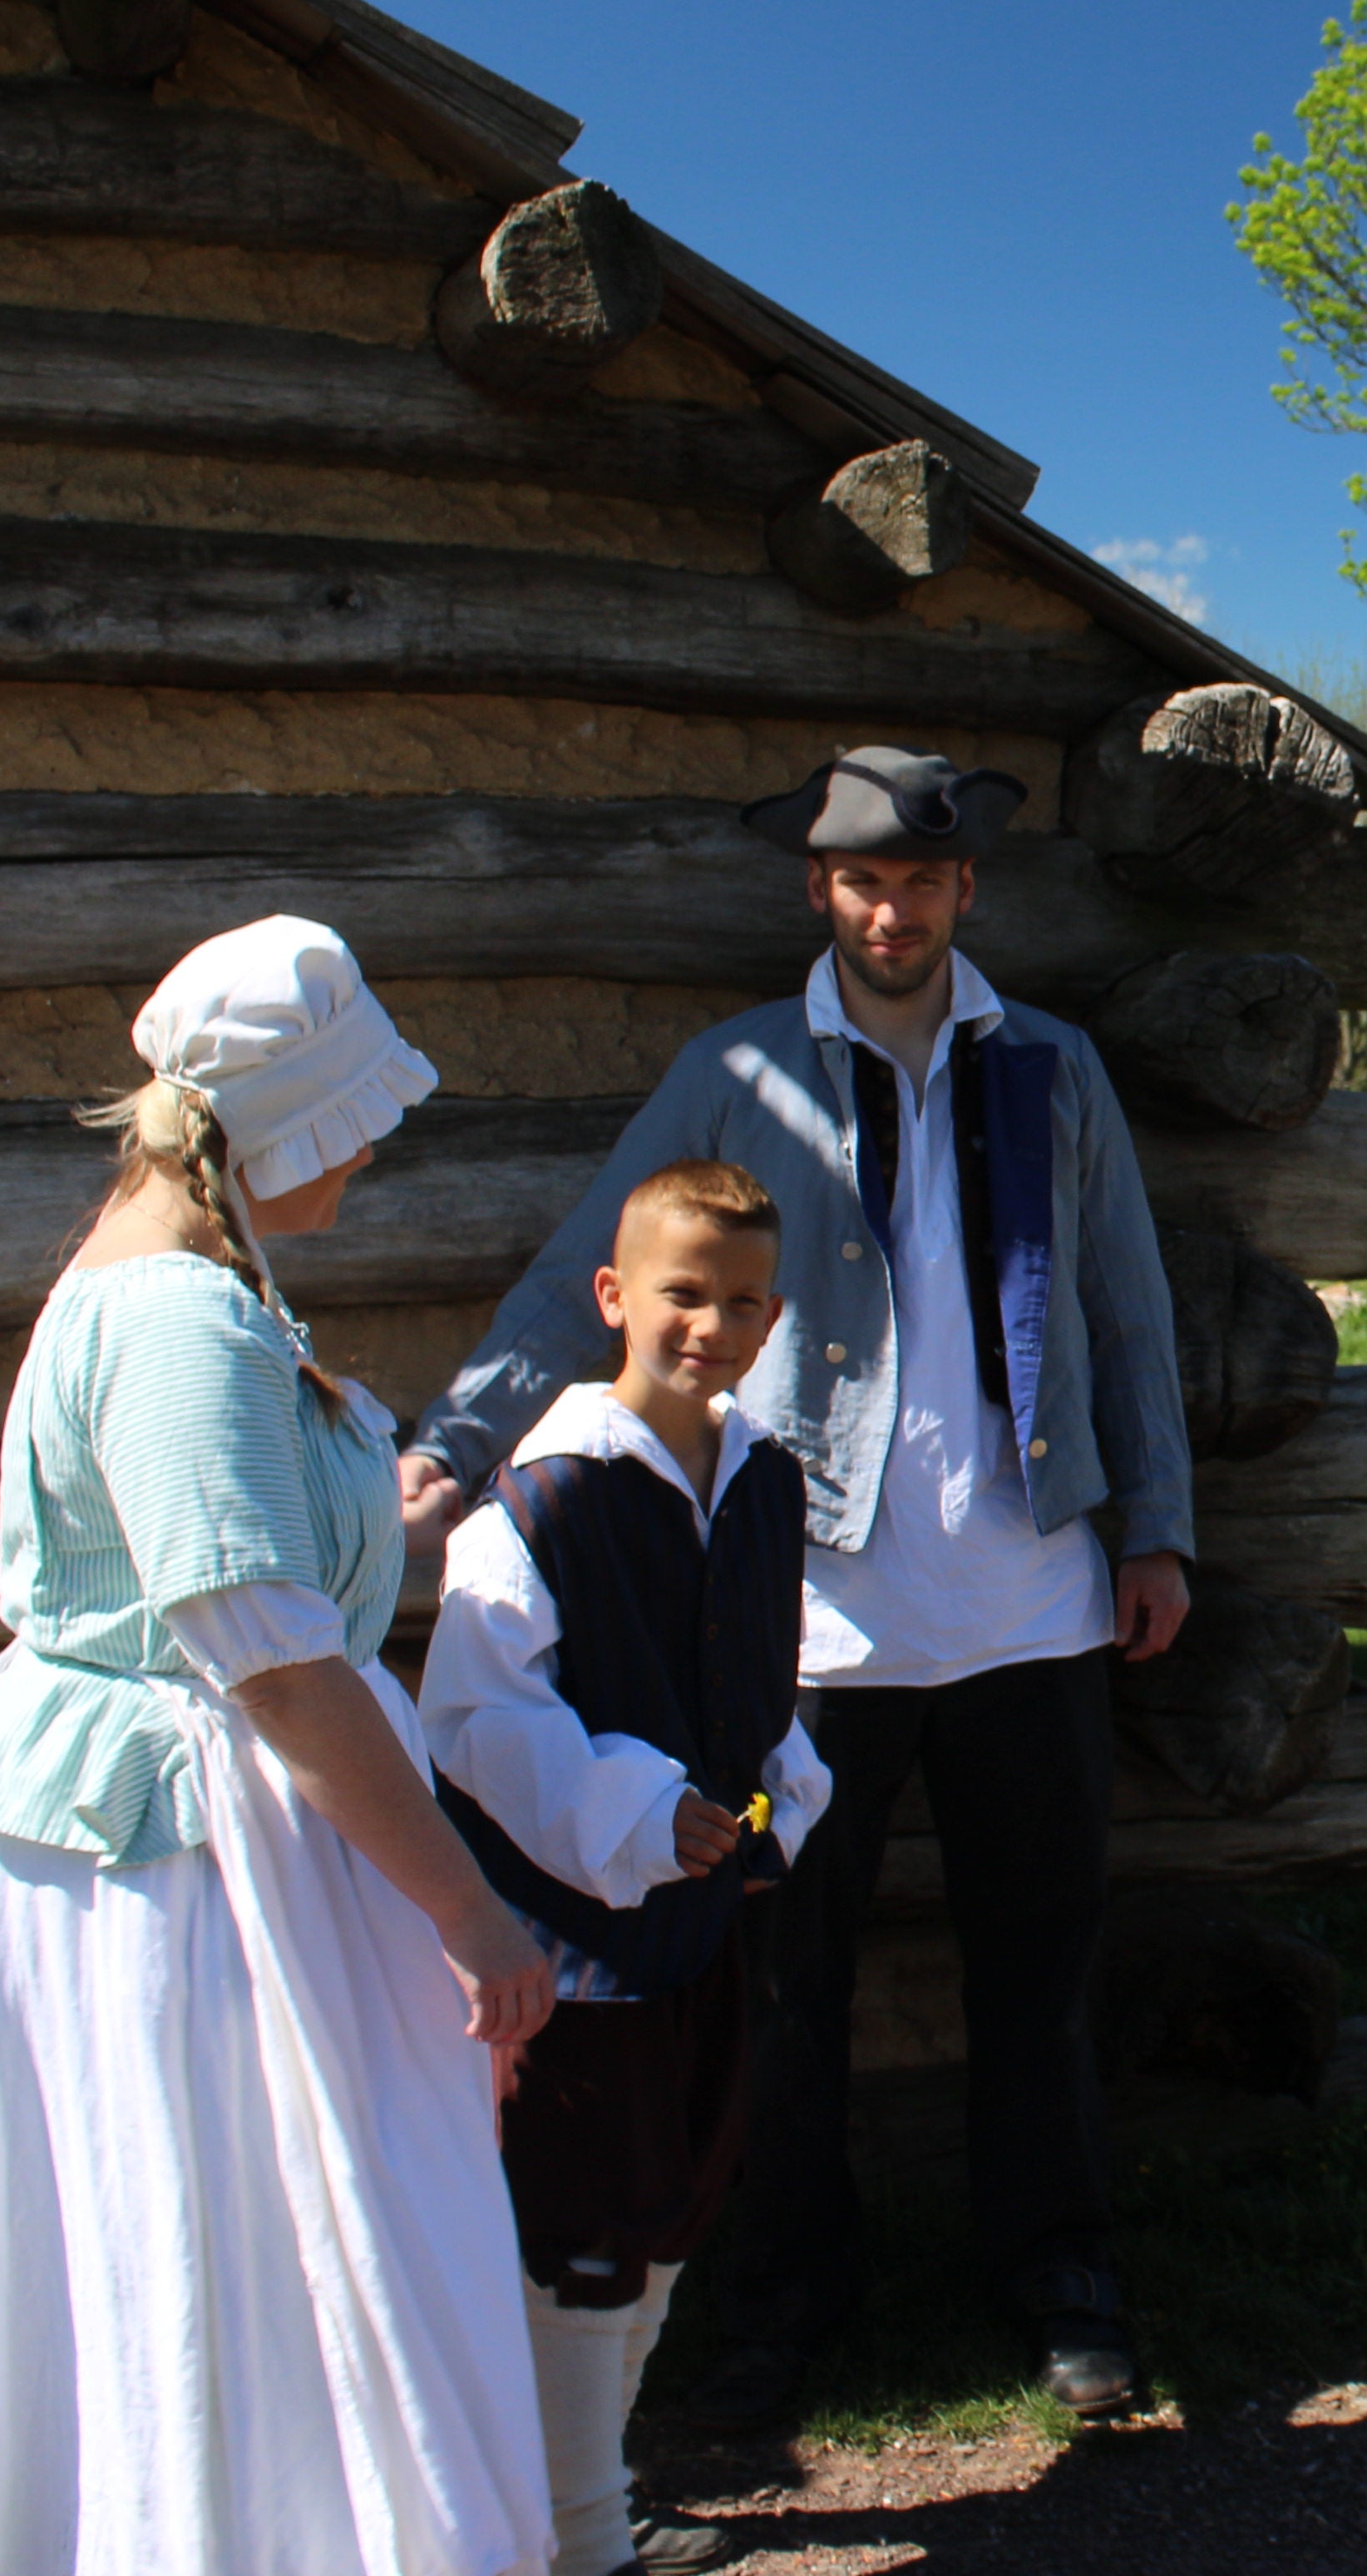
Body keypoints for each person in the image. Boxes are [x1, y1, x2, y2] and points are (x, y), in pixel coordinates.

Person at [403, 746, 1197, 2428]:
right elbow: (583, 1278)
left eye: (917, 880)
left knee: (1039, 1964)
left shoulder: (1054, 1071)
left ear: (966, 888)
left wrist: (1157, 1532)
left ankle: (1059, 2273)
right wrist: (462, 1443)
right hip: (803, 1657)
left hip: (1035, 1619)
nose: (888, 907)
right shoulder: (737, 1069)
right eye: (857, 881)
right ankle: (780, 2289)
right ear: (817, 894)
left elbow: (1130, 1309)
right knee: (781, 1976)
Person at [0, 917, 559, 2576]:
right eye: (354, 1125)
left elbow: (247, 1564)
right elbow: (261, 1651)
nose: (370, 1158)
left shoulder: (211, 1290)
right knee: (227, 2268)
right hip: (184, 1878)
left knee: (290, 2257)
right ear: (289, 1128)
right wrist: (467, 1911)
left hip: (236, 1851)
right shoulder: (177, 1321)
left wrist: (373, 1523)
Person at [422, 1158, 836, 2576]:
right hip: (578, 1941)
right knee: (583, 2240)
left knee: (667, 2218)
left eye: (737, 1301)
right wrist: (636, 1812)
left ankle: (584, 2503)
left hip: (709, 1921)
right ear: (614, 1297)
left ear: (772, 1318)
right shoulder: (541, 1501)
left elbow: (762, 1681)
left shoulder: (765, 1481)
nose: (707, 1326)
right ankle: (576, 2542)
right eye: (680, 1294)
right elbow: (479, 1717)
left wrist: (779, 1794)